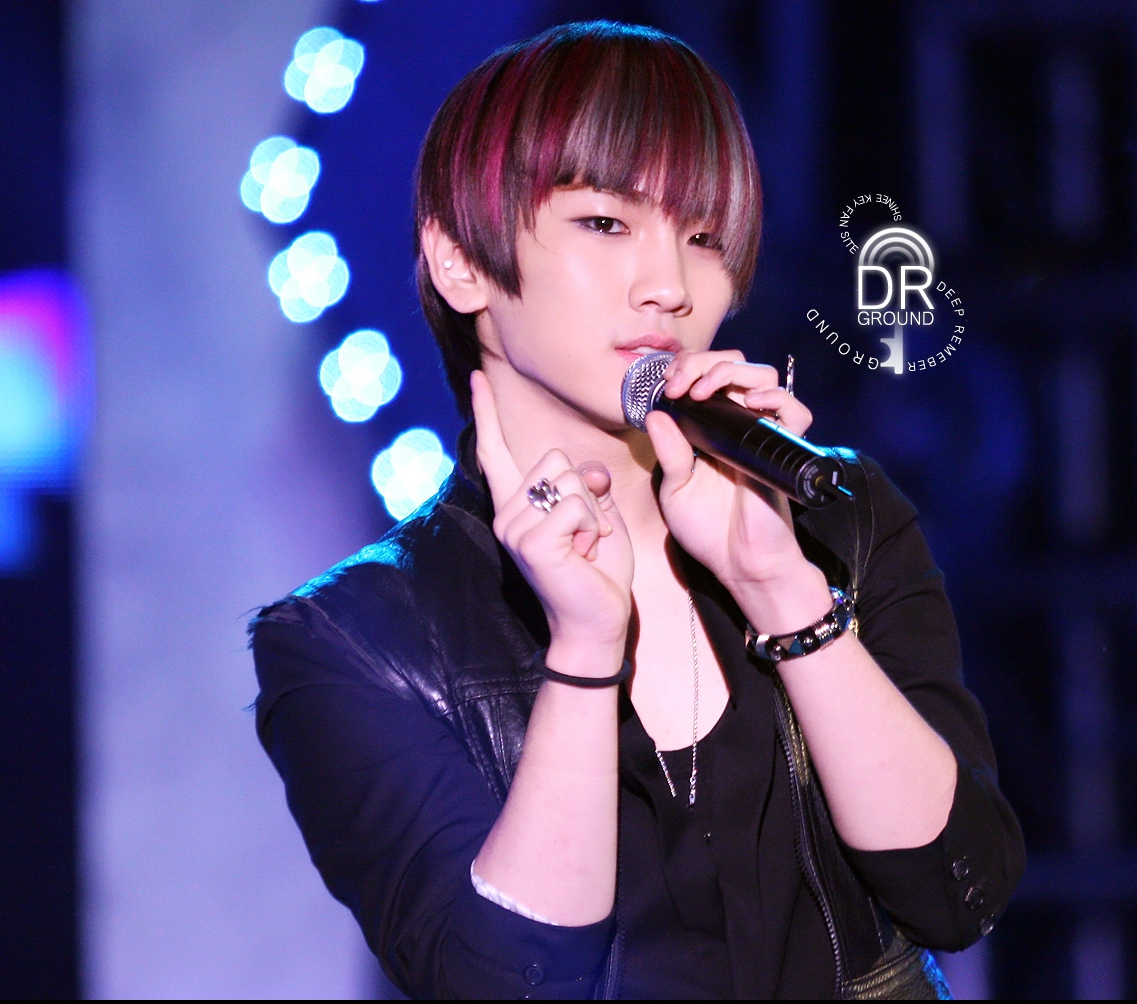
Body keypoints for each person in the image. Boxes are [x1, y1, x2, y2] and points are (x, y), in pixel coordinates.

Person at [251, 20, 1023, 1000]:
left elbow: (959, 888)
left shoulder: (836, 515)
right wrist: (583, 649)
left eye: (703, 237)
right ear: (460, 262)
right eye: (606, 224)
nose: (668, 287)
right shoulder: (357, 638)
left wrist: (786, 595)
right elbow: (506, 983)